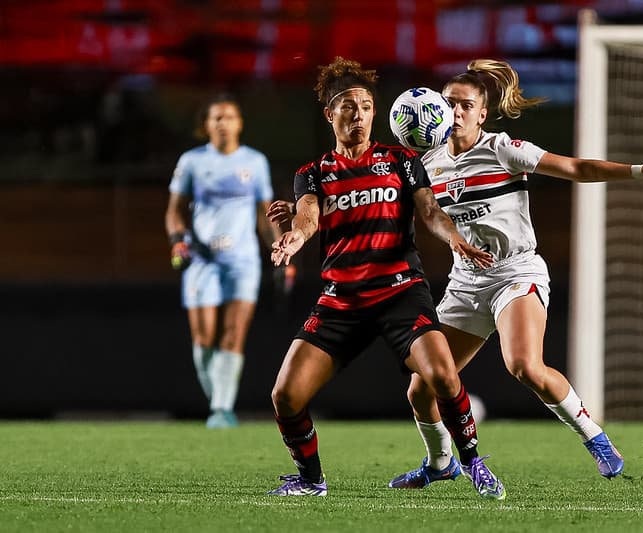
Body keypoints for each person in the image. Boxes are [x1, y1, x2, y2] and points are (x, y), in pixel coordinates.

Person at [381, 59, 643, 488]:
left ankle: (596, 438)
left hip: (515, 271)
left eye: (464, 105)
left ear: (482, 113)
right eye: (448, 103)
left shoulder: (502, 149)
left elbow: (575, 169)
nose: (454, 112)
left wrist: (642, 171)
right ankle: (441, 464)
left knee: (524, 366)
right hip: (465, 282)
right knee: (421, 388)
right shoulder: (428, 163)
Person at [265, 57, 504, 499]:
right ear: (329, 115)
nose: (358, 115)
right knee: (285, 396)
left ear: (377, 114)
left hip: (399, 294)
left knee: (444, 378)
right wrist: (293, 237)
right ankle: (311, 480)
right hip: (343, 300)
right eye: (349, 107)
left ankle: (472, 463)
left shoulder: (401, 160)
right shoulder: (313, 173)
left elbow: (430, 211)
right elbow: (307, 216)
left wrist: (454, 238)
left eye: (367, 107)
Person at [164, 94, 282, 429]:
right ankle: (219, 403)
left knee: (233, 335)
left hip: (243, 260)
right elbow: (174, 210)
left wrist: (279, 249)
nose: (223, 123)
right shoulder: (192, 162)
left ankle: (221, 410)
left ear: (239, 124)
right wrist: (177, 241)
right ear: (206, 125)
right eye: (216, 118)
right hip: (202, 261)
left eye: (229, 117)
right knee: (203, 340)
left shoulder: (255, 162)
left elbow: (265, 214)